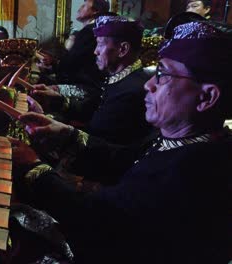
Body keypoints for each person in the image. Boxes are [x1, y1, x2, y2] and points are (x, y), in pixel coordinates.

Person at [12, 18, 232, 264]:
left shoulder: (195, 173)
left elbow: (98, 219)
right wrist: (64, 133)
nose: (149, 84)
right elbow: (126, 158)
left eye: (163, 75)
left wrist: (35, 170)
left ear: (206, 97)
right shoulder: (188, 141)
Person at [32, 15, 152, 146]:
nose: (95, 51)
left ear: (122, 49)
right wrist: (57, 100)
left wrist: (62, 130)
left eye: (100, 44)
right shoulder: (121, 78)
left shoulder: (132, 91)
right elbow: (93, 108)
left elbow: (100, 140)